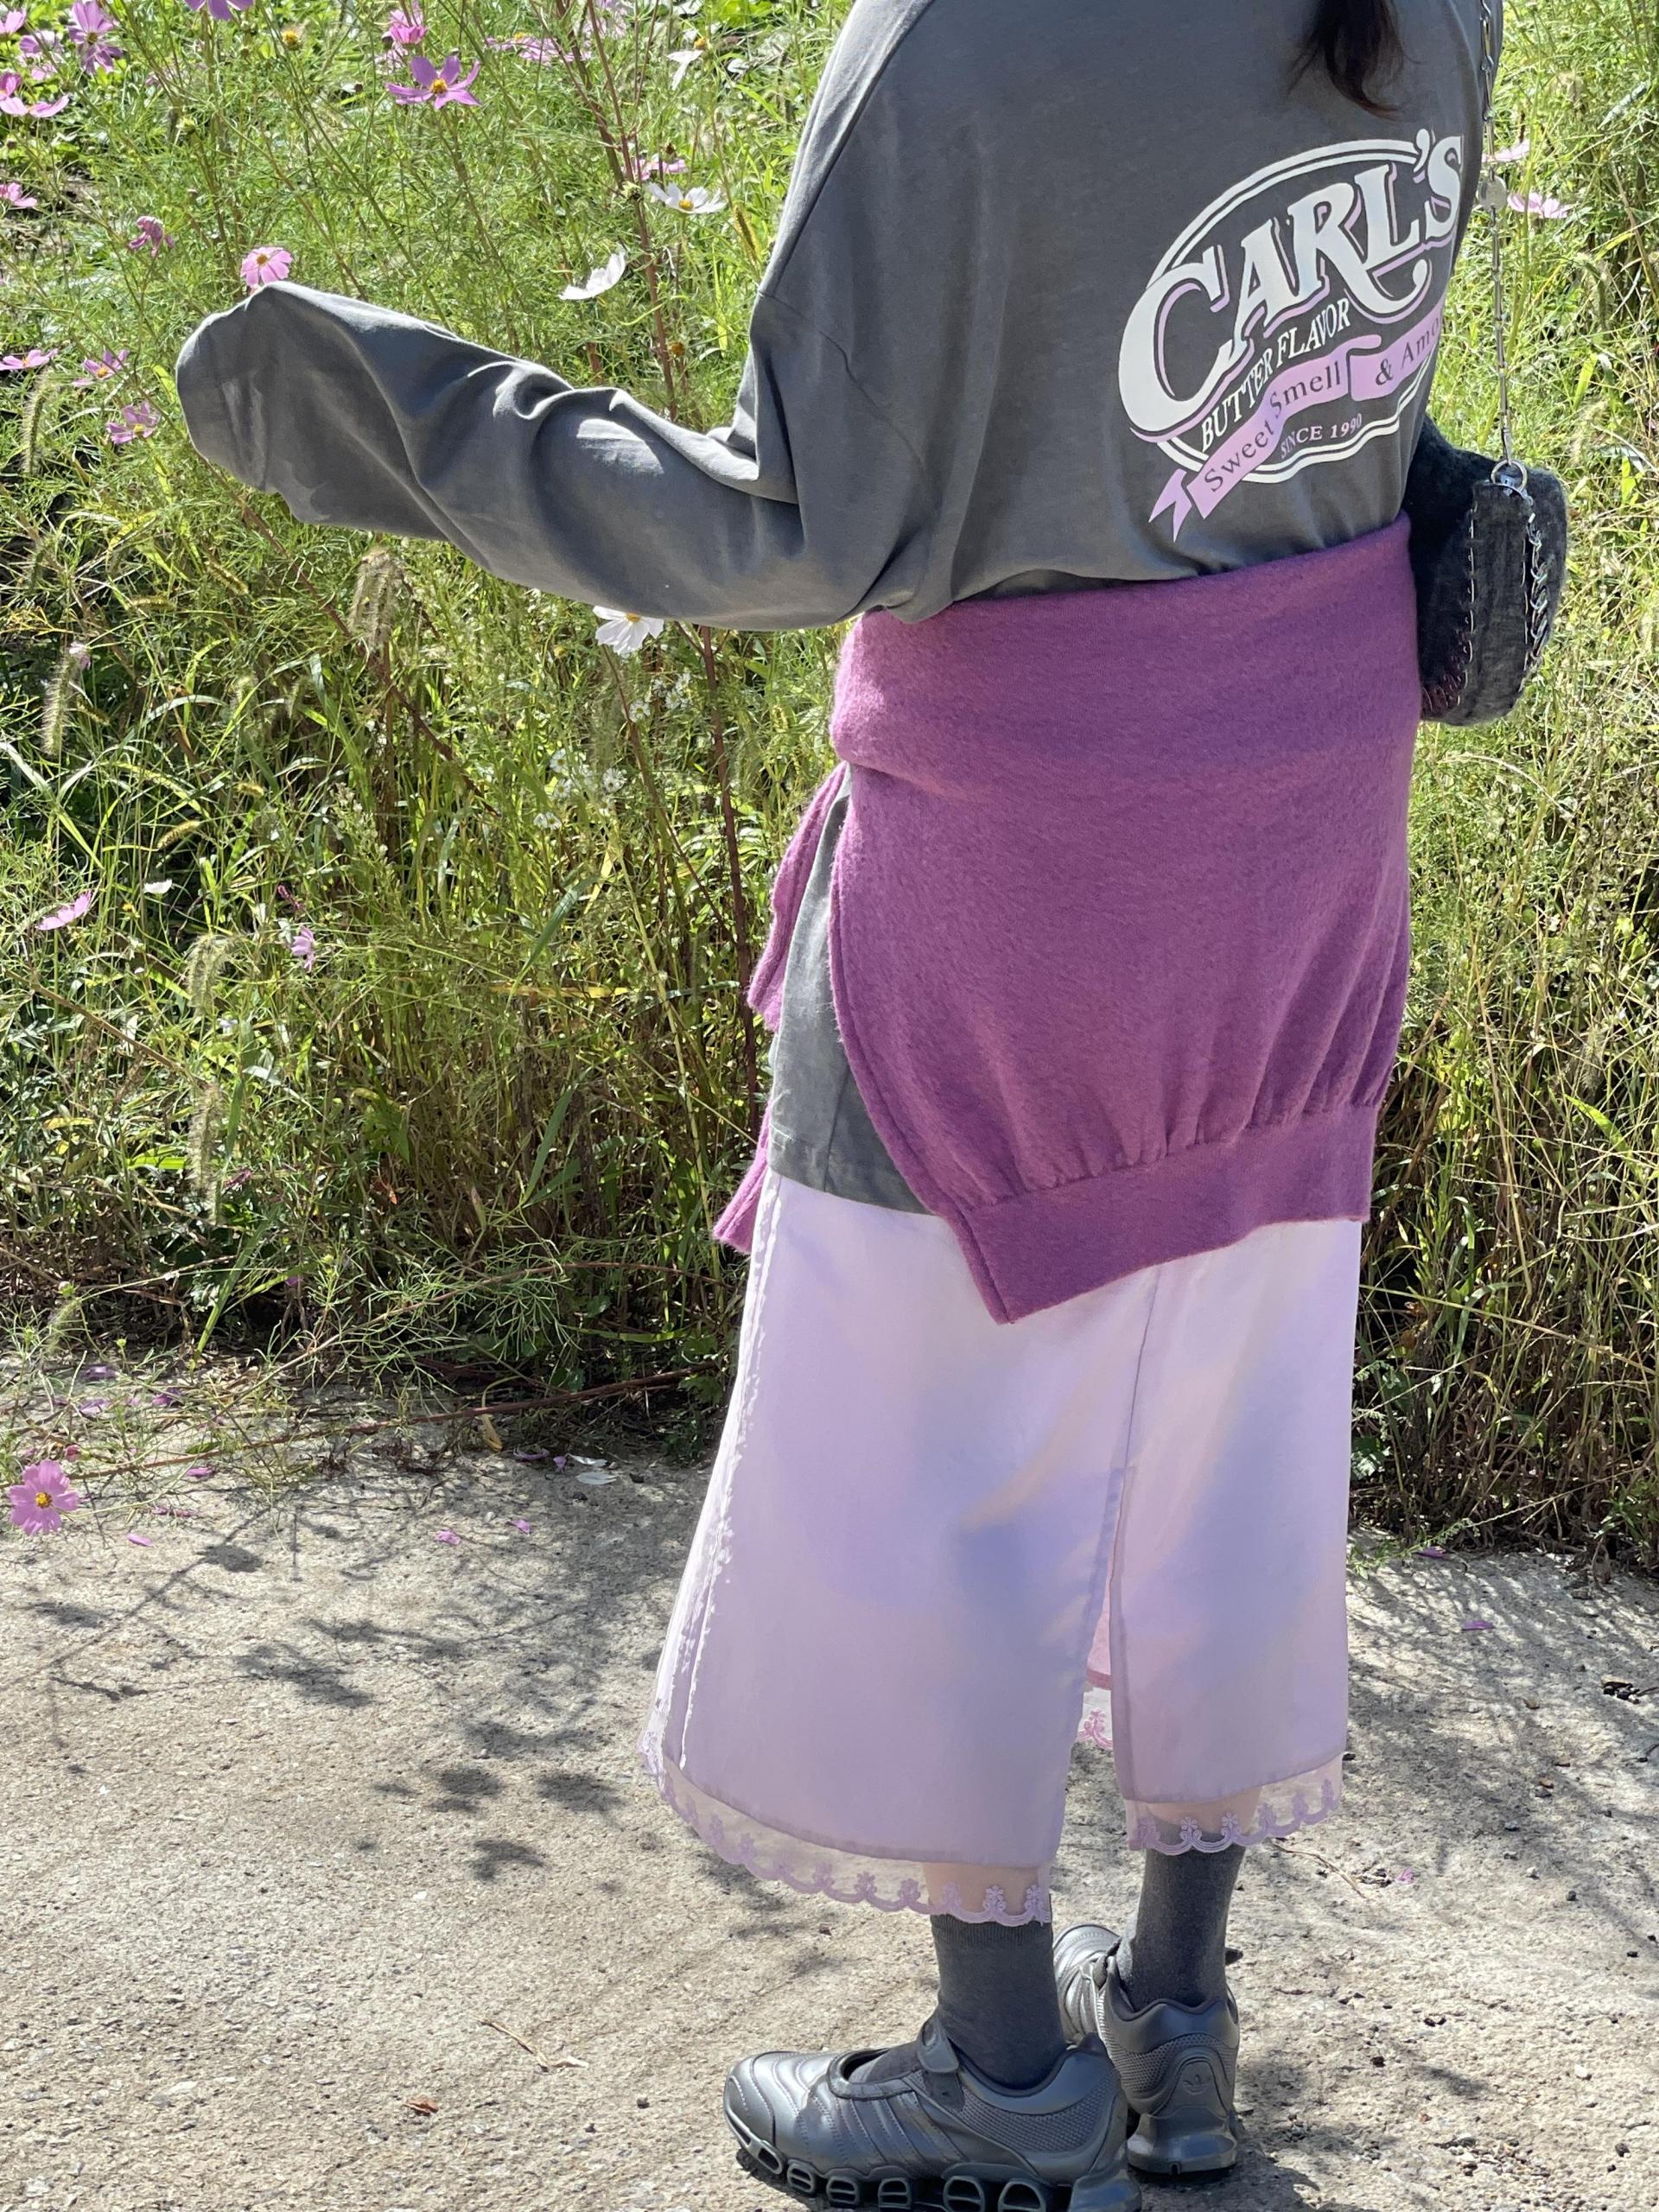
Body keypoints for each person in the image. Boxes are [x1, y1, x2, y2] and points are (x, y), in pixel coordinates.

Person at [177, 1, 1497, 2202]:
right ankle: (1177, 2029)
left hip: (1020, 862)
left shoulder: (965, 41)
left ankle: (1001, 2073)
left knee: (929, 1463)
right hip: (1307, 831)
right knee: (1228, 1411)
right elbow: (1348, 400)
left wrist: (369, 404)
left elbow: (790, 526)